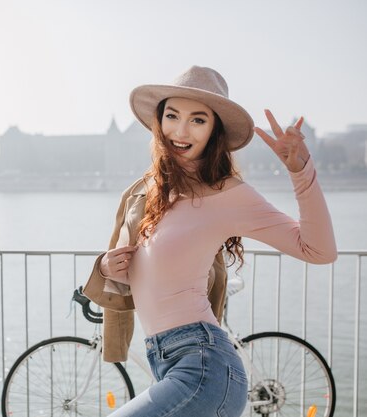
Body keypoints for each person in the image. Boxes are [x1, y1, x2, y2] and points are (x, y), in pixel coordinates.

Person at [85, 66, 337, 417]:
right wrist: (106, 265)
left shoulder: (227, 194)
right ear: (159, 121)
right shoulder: (152, 192)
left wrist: (301, 171)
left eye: (198, 120)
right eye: (172, 116)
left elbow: (320, 250)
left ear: (214, 130)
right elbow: (149, 272)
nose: (181, 130)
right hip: (165, 362)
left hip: (204, 367)